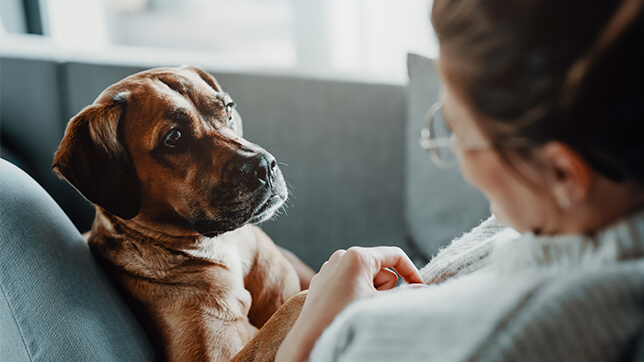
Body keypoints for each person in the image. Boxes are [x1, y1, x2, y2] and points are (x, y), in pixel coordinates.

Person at [276, 0, 644, 361]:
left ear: (563, 174)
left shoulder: (491, 341)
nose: (451, 148)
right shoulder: (569, 216)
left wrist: (309, 334)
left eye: (457, 129)